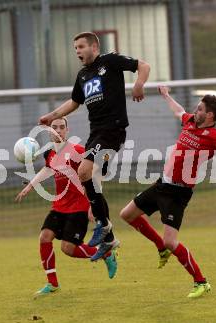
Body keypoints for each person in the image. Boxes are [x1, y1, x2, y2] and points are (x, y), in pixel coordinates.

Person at [120, 86, 216, 298]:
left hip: (178, 193)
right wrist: (166, 95)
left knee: (171, 240)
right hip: (162, 185)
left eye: (200, 108)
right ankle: (161, 247)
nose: (196, 110)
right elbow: (178, 111)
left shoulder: (215, 137)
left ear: (210, 115)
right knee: (127, 215)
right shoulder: (189, 121)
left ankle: (201, 282)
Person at [39, 31, 150, 261]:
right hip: (96, 134)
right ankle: (108, 237)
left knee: (83, 171)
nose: (77, 51)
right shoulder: (83, 75)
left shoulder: (109, 61)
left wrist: (139, 84)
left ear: (94, 47)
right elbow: (74, 102)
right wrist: (52, 115)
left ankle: (103, 225)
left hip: (112, 130)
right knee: (89, 177)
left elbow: (143, 65)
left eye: (81, 46)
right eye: (75, 48)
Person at [15, 118, 118, 298]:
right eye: (54, 128)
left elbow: (94, 175)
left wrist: (93, 205)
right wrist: (30, 185)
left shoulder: (78, 151)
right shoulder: (50, 153)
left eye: (61, 128)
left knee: (68, 249)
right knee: (44, 238)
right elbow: (48, 169)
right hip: (59, 206)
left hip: (79, 206)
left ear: (67, 130)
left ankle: (106, 253)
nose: (58, 131)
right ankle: (52, 284)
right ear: (49, 131)